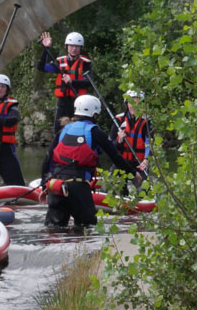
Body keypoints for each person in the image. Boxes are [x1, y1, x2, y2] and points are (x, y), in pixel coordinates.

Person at [40, 94, 141, 228]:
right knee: (87, 228)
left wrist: (44, 186)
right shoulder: (96, 132)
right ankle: (82, 249)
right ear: (95, 114)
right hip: (78, 187)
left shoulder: (63, 130)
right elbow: (116, 158)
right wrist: (134, 173)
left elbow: (48, 160)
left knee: (54, 229)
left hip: (56, 186)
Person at [37, 31, 92, 134]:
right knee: (58, 131)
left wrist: (72, 81)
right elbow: (41, 67)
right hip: (63, 102)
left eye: (77, 46)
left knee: (78, 131)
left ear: (80, 47)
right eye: (71, 46)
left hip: (78, 103)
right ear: (67, 46)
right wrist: (46, 49)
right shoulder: (59, 62)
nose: (74, 49)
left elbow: (89, 82)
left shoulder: (85, 63)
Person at [109, 89, 151, 188]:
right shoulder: (118, 120)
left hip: (139, 164)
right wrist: (119, 140)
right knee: (112, 188)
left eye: (137, 103)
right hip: (121, 163)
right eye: (131, 103)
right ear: (126, 104)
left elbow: (150, 144)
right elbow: (110, 146)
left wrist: (146, 159)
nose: (133, 106)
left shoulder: (147, 122)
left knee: (143, 191)